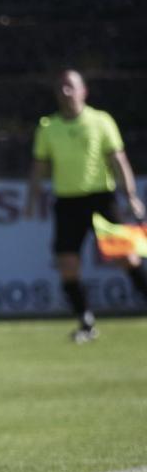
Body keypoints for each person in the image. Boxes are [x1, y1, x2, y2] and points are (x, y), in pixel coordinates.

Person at [26, 69, 147, 341]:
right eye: (61, 87)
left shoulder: (100, 121)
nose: (65, 92)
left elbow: (119, 160)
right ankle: (86, 323)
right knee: (67, 263)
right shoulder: (48, 127)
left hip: (101, 198)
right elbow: (39, 166)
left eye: (70, 86)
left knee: (127, 257)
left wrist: (130, 196)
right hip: (68, 202)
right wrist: (31, 199)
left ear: (84, 91)